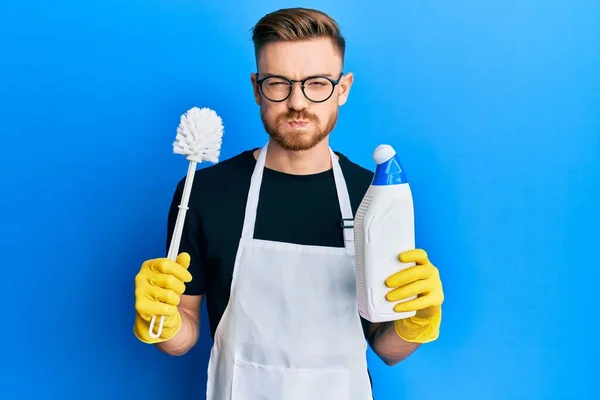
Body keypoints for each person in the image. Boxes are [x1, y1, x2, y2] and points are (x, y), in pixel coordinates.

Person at [133, 7, 444, 400]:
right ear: (256, 87)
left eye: (317, 83)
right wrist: (160, 319)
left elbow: (385, 347)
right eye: (279, 83)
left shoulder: (373, 197)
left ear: (343, 88)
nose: (297, 102)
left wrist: (417, 322)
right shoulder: (204, 191)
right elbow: (184, 332)